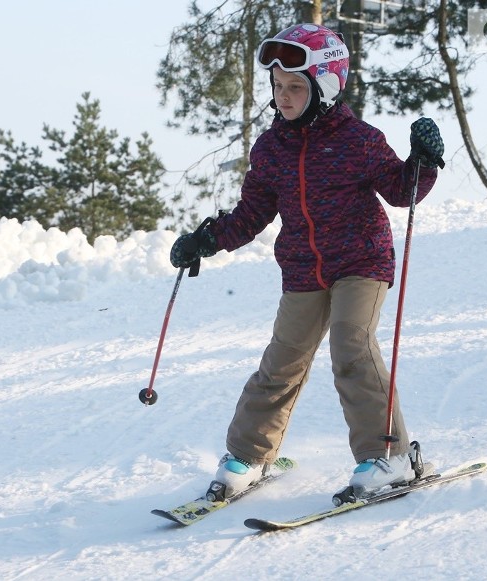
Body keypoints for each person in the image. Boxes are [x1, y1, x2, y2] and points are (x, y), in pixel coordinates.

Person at [169, 23, 444, 501]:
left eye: (296, 86)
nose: (284, 96)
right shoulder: (271, 148)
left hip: (361, 262)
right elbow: (252, 213)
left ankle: (390, 457)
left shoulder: (359, 139)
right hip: (302, 270)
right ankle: (249, 456)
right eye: (277, 86)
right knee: (281, 363)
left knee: (351, 348)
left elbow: (402, 191)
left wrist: (422, 161)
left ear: (327, 87)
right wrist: (207, 240)